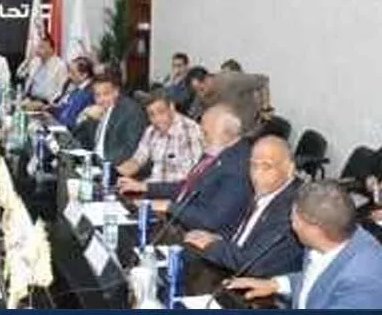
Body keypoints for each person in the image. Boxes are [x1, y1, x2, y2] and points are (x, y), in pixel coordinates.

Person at [227, 181, 382, 309]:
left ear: (315, 230)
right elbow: (318, 278)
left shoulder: (364, 283)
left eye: (294, 218)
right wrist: (275, 284)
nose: (291, 224)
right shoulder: (330, 239)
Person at [118, 104, 253, 237]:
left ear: (226, 134)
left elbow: (211, 220)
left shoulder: (239, 167)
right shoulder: (216, 149)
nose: (201, 137)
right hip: (179, 222)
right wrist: (144, 187)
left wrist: (169, 206)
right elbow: (187, 187)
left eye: (205, 133)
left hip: (199, 236)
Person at [183, 136, 303, 277]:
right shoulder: (267, 190)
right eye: (253, 165)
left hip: (258, 282)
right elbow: (245, 234)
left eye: (266, 166)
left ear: (290, 169)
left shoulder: (294, 207)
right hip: (233, 269)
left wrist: (211, 245)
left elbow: (253, 263)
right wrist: (217, 238)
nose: (257, 174)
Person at [117, 90, 204, 183]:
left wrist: (148, 187)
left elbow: (192, 177)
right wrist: (114, 172)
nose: (157, 119)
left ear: (172, 107)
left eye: (161, 112)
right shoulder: (151, 131)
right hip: (152, 185)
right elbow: (137, 160)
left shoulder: (189, 131)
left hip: (175, 189)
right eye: (152, 115)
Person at [73, 72, 147, 172]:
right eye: (97, 95)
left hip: (113, 169)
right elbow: (79, 139)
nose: (101, 100)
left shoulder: (131, 111)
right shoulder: (97, 109)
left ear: (116, 92)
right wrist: (84, 115)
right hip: (92, 165)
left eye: (106, 94)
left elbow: (130, 148)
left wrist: (105, 165)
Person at [185, 66, 272, 136]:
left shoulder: (231, 80)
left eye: (201, 89)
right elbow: (192, 115)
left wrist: (265, 108)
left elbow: (263, 81)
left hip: (250, 131)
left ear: (207, 79)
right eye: (196, 91)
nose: (200, 95)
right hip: (228, 137)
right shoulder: (200, 95)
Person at [47, 57, 95, 128]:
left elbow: (69, 118)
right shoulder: (78, 89)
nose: (69, 76)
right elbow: (66, 107)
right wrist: (51, 109)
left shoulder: (87, 93)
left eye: (73, 73)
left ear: (84, 75)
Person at [19, 36, 67, 104]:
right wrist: (28, 59)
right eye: (38, 47)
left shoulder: (60, 65)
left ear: (51, 50)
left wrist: (48, 104)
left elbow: (62, 90)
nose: (38, 50)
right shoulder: (35, 61)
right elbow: (19, 75)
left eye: (42, 47)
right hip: (30, 99)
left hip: (47, 102)